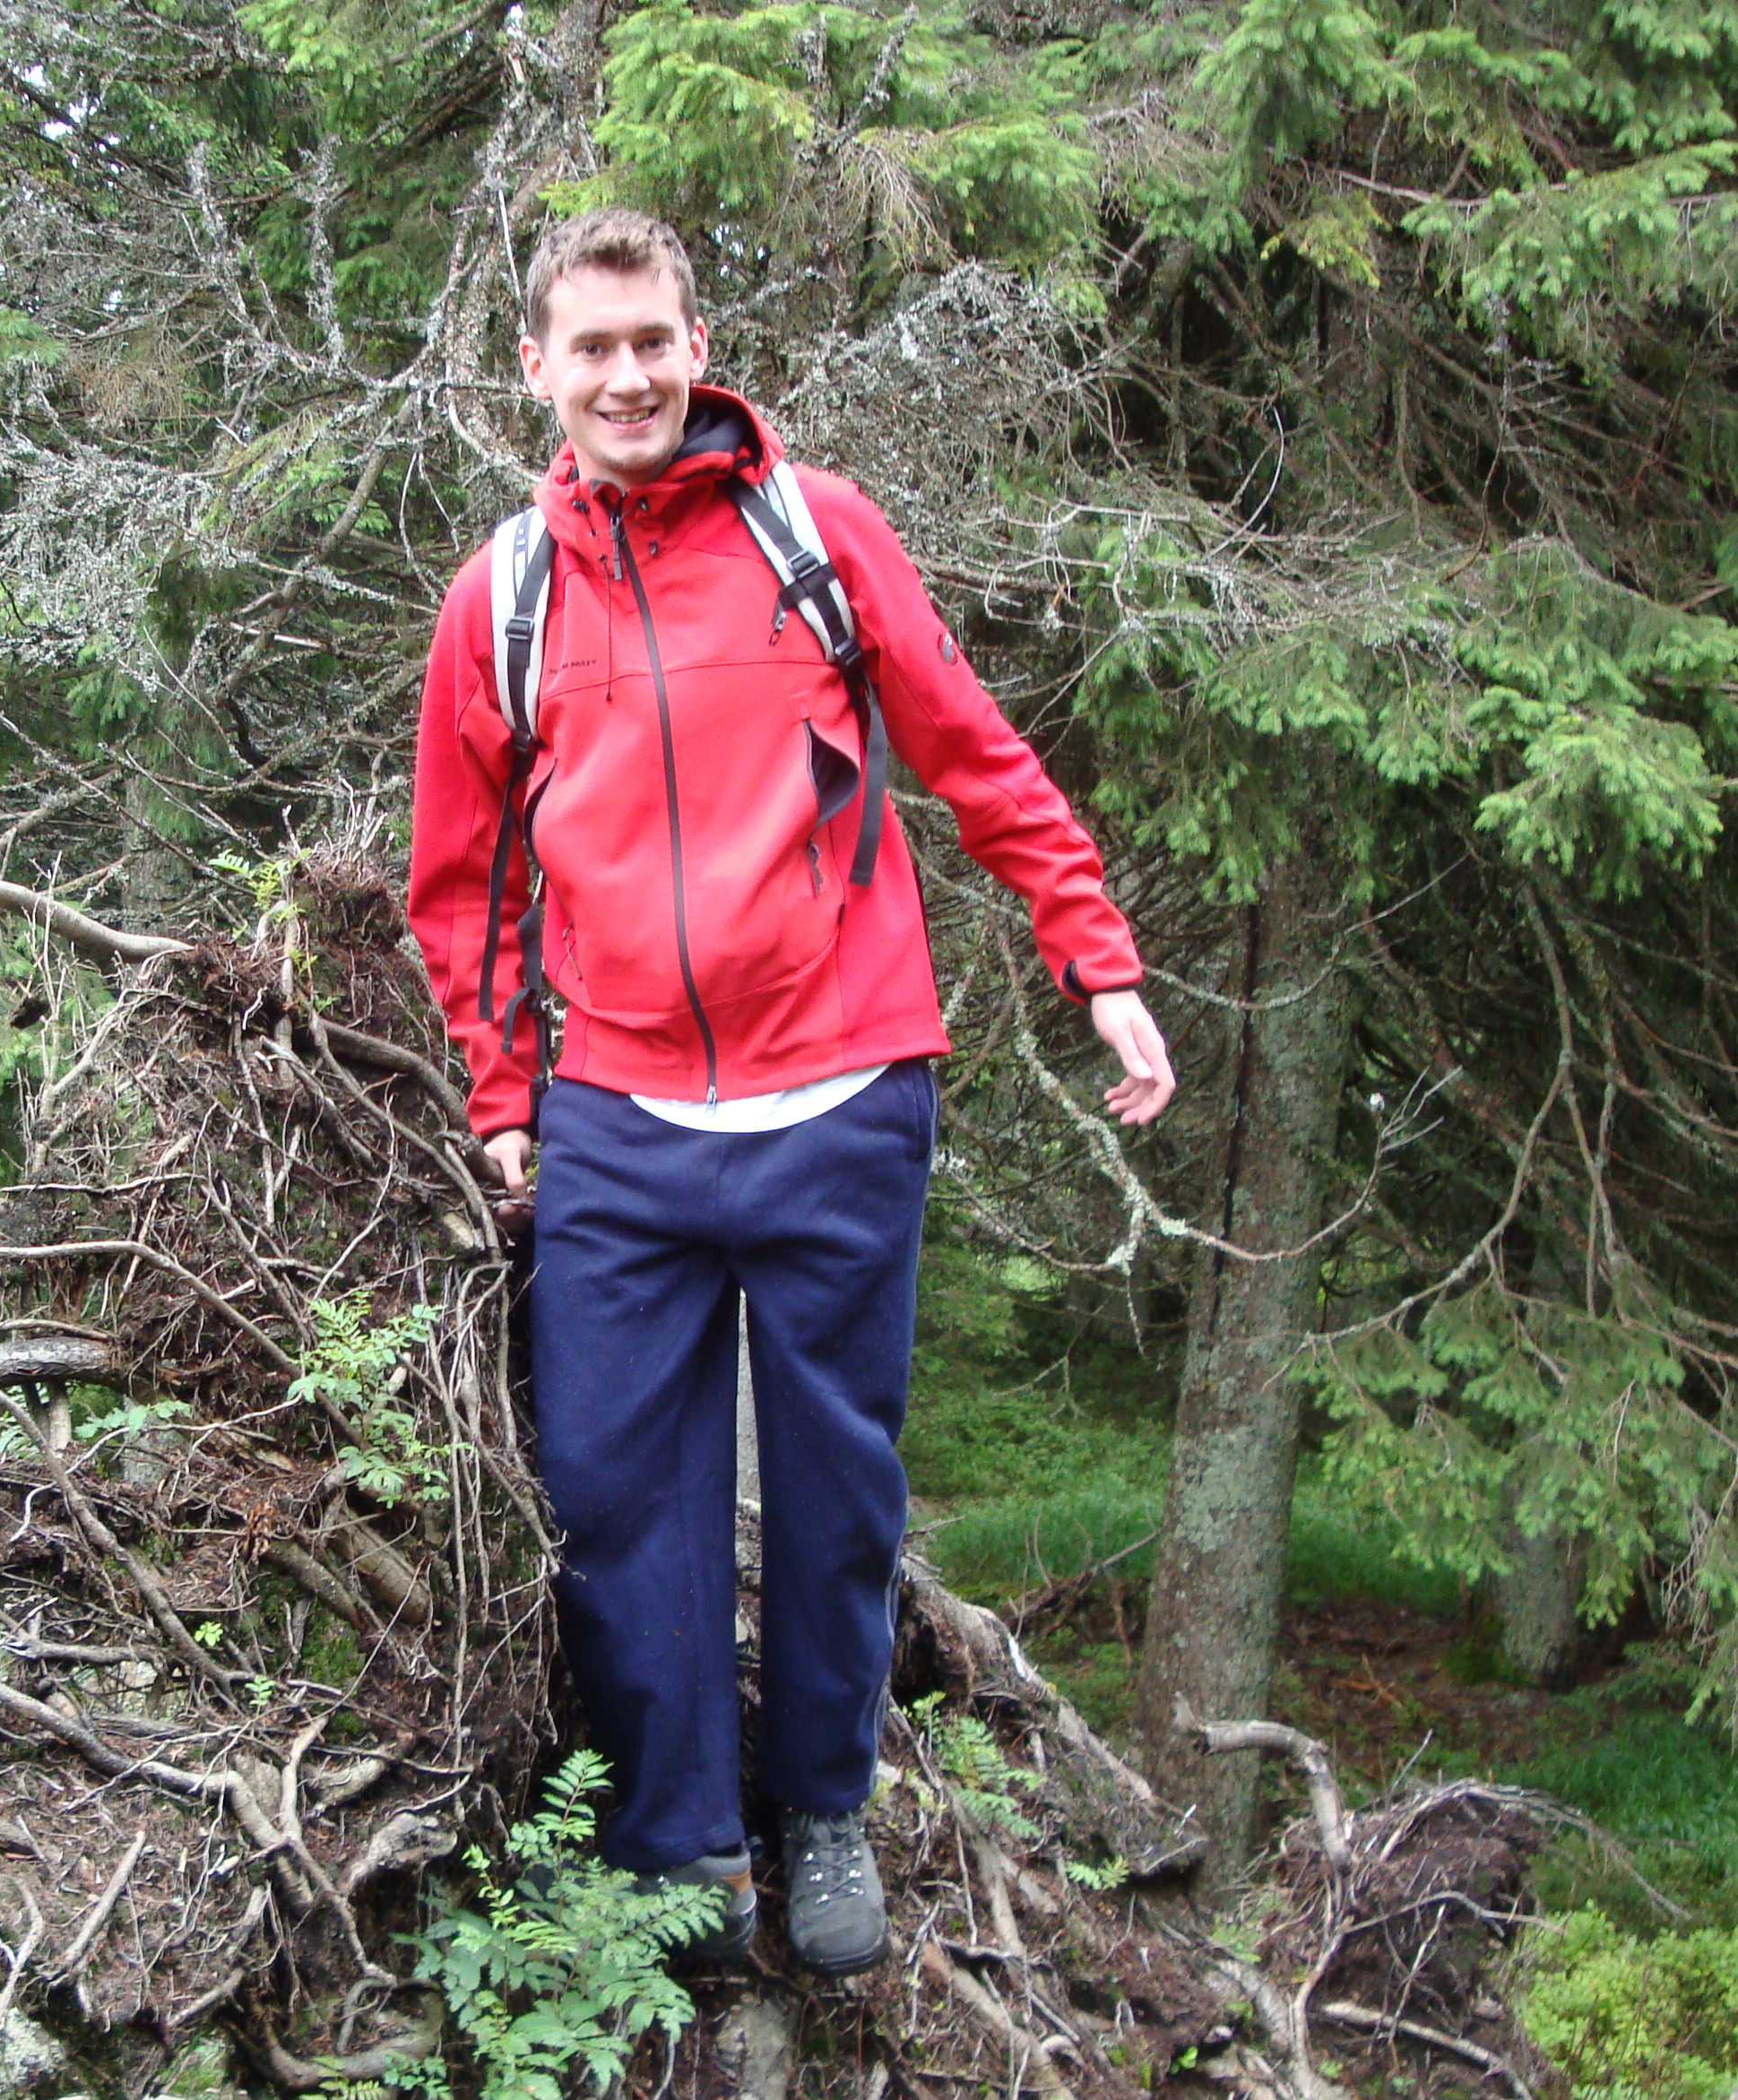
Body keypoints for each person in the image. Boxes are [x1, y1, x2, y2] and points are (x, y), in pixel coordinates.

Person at [406, 209, 1175, 1976]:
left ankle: (824, 1813)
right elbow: (468, 881)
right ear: (536, 369)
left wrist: (1096, 952)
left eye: (652, 342)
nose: (627, 378)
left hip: (841, 1092)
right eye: (592, 349)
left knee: (836, 1500)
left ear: (698, 345)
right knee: (620, 1506)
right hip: (618, 1122)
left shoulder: (814, 533)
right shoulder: (501, 600)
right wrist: (505, 1094)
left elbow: (973, 749)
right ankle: (686, 1848)